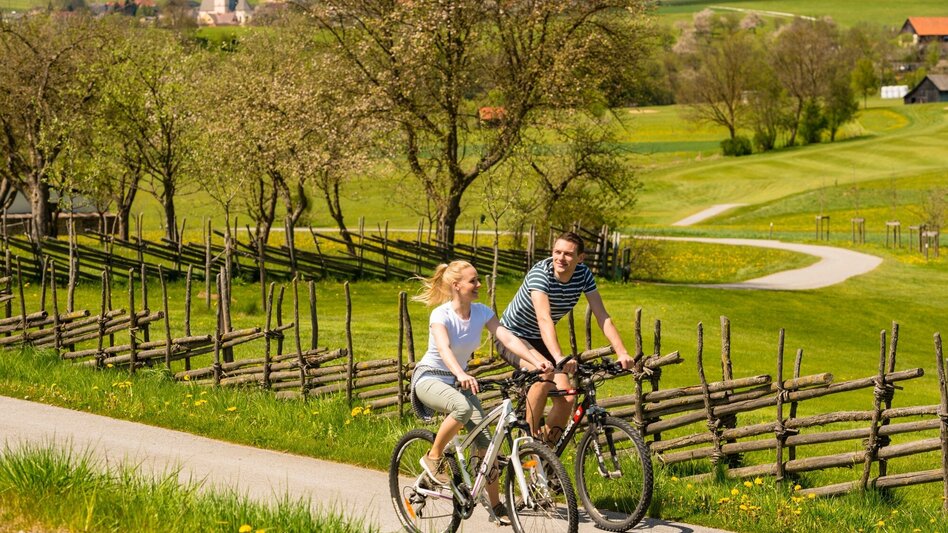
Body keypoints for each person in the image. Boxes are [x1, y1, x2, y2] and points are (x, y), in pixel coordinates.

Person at [410, 260, 551, 522]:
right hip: (430, 378)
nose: (478, 285)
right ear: (456, 285)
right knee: (461, 407)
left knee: (487, 446)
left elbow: (507, 338)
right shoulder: (441, 315)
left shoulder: (482, 312)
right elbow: (444, 350)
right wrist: (461, 373)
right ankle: (433, 457)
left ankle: (496, 505)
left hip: (456, 383)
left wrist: (536, 362)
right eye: (473, 281)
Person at [497, 231, 634, 445]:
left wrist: (622, 351)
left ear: (580, 258)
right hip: (512, 336)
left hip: (539, 339)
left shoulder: (583, 274)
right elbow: (544, 318)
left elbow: (602, 315)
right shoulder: (541, 273)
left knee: (568, 396)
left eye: (568, 254)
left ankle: (545, 458)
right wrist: (559, 357)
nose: (561, 258)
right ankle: (528, 445)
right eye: (557, 252)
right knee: (542, 376)